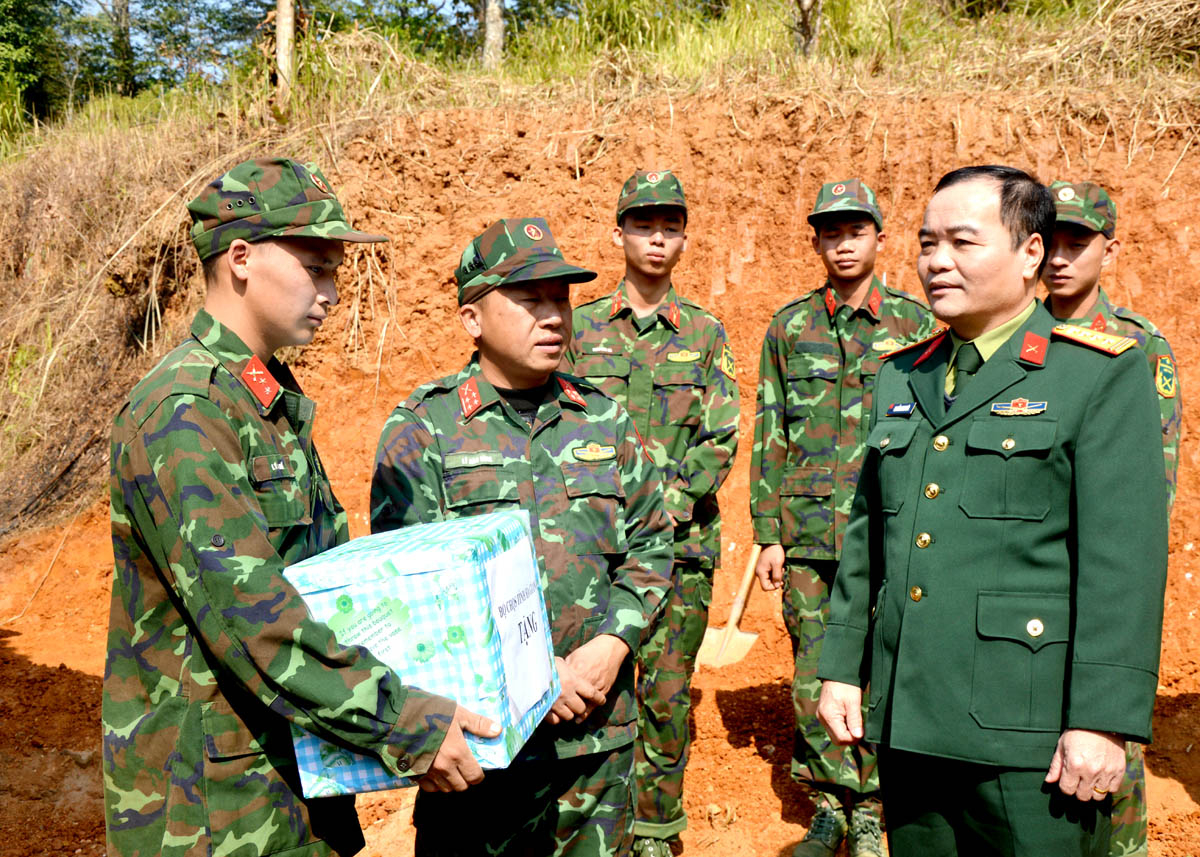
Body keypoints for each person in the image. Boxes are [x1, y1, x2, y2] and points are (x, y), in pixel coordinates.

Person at [103, 157, 492, 857]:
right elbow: (258, 620)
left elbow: (324, 587)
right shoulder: (184, 412)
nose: (333, 291)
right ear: (242, 259)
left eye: (336, 270)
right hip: (213, 816)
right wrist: (402, 719)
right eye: (316, 266)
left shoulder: (262, 401)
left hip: (290, 786)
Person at [817, 165, 1169, 857]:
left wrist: (1102, 720)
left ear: (1030, 252)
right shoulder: (903, 373)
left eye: (962, 242)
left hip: (1029, 736)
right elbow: (868, 538)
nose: (936, 261)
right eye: (926, 243)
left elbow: (1123, 561)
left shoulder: (1097, 372)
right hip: (911, 720)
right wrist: (839, 666)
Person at [370, 217, 674, 855]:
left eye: (560, 297)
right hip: (485, 753)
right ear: (472, 320)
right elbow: (411, 599)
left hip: (597, 745)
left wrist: (614, 644)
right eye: (529, 299)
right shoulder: (423, 429)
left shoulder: (606, 419)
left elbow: (652, 546)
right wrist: (537, 676)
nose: (554, 315)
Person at [749, 178, 935, 857]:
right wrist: (767, 531)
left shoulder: (915, 325)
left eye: (855, 230)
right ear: (818, 242)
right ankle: (829, 802)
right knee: (813, 668)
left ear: (879, 238)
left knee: (884, 665)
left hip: (887, 529)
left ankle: (874, 804)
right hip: (805, 533)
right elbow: (770, 425)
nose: (843, 242)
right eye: (830, 231)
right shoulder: (789, 327)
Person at [564, 169, 740, 857]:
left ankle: (657, 832)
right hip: (592, 558)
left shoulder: (703, 333)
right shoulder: (578, 331)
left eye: (670, 227)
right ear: (619, 234)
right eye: (644, 225)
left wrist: (654, 513)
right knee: (593, 695)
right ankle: (593, 828)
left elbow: (721, 434)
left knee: (666, 699)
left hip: (679, 553)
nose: (657, 238)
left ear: (684, 240)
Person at [1042, 178, 1182, 857]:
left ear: (1111, 249)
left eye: (1080, 243)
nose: (1062, 258)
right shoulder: (1015, 337)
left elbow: (1148, 492)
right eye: (1052, 243)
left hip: (1097, 582)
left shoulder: (1138, 348)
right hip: (1026, 580)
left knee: (1108, 762)